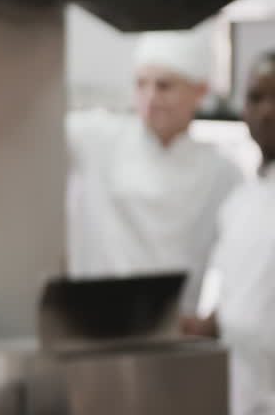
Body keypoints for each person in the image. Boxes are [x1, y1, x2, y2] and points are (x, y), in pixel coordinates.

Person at [66, 31, 242, 312]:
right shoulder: (96, 139)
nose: (150, 98)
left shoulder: (223, 173)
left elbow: (245, 262)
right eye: (141, 84)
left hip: (173, 334)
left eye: (164, 86)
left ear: (199, 91)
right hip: (91, 322)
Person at [184, 51, 275, 415]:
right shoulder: (239, 202)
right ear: (243, 111)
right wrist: (200, 326)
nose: (267, 111)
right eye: (256, 98)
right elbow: (245, 300)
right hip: (243, 394)